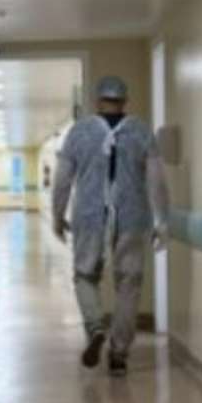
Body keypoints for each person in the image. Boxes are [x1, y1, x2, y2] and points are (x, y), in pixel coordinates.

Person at [52, 76, 170, 376]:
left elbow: (63, 179)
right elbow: (156, 181)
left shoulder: (79, 131)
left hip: (89, 216)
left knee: (84, 275)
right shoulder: (141, 131)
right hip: (133, 217)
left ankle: (95, 327)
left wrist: (57, 215)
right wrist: (162, 220)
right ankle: (118, 355)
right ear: (125, 101)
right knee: (129, 282)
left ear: (97, 100)